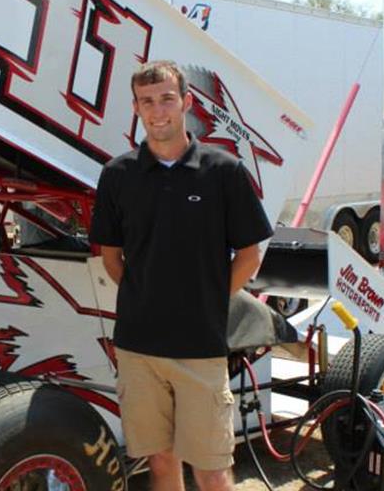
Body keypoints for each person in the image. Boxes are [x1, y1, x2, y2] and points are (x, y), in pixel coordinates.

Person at [89, 60, 271, 491]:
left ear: (186, 102)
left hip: (200, 349)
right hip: (139, 348)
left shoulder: (223, 171)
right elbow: (111, 257)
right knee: (161, 464)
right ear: (135, 108)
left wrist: (207, 299)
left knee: (212, 469)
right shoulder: (118, 175)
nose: (158, 111)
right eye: (147, 102)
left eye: (167, 99)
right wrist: (145, 295)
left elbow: (250, 254)